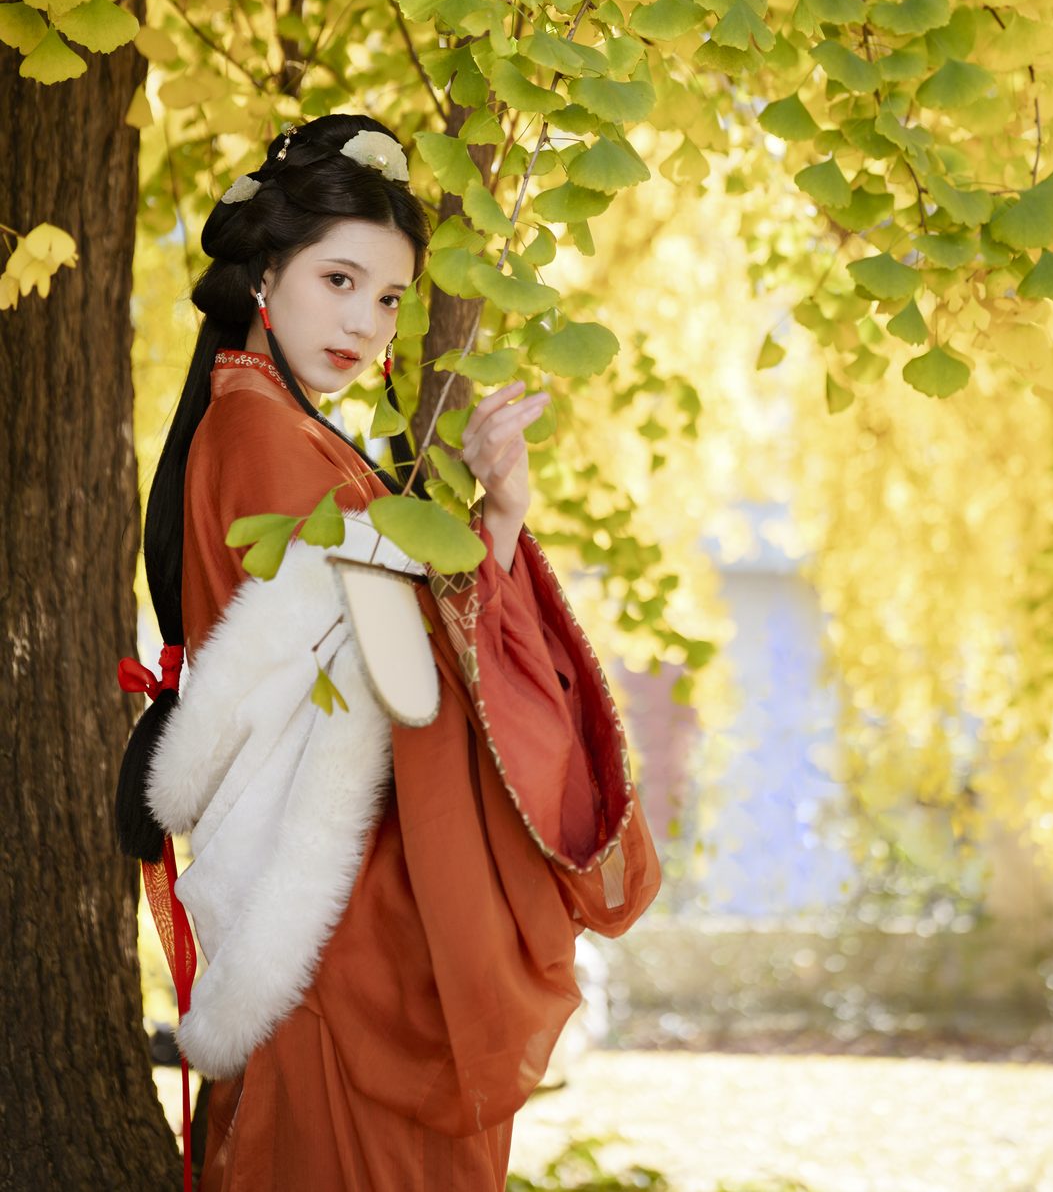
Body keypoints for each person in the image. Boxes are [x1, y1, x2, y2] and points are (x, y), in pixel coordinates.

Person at [114, 113, 663, 1191]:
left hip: (327, 894)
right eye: (340, 280)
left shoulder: (271, 422)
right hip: (340, 902)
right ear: (266, 274)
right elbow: (406, 677)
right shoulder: (265, 433)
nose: (365, 322)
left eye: (391, 298)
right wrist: (498, 518)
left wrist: (490, 523)